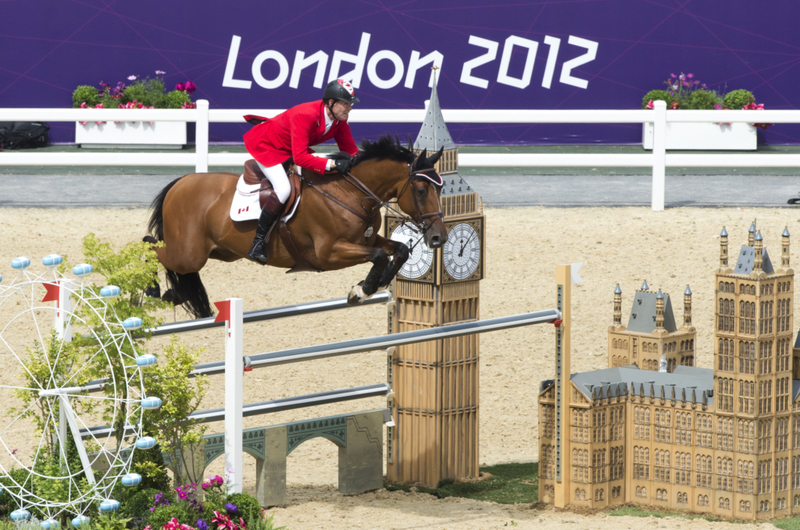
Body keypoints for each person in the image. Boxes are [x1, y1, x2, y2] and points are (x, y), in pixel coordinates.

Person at [242, 79, 361, 264]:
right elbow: (300, 159)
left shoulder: (339, 121)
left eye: (350, 104)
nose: (349, 109)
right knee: (283, 189)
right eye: (345, 104)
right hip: (268, 146)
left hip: (288, 148)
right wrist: (333, 165)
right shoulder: (306, 114)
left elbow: (351, 151)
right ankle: (258, 242)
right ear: (330, 103)